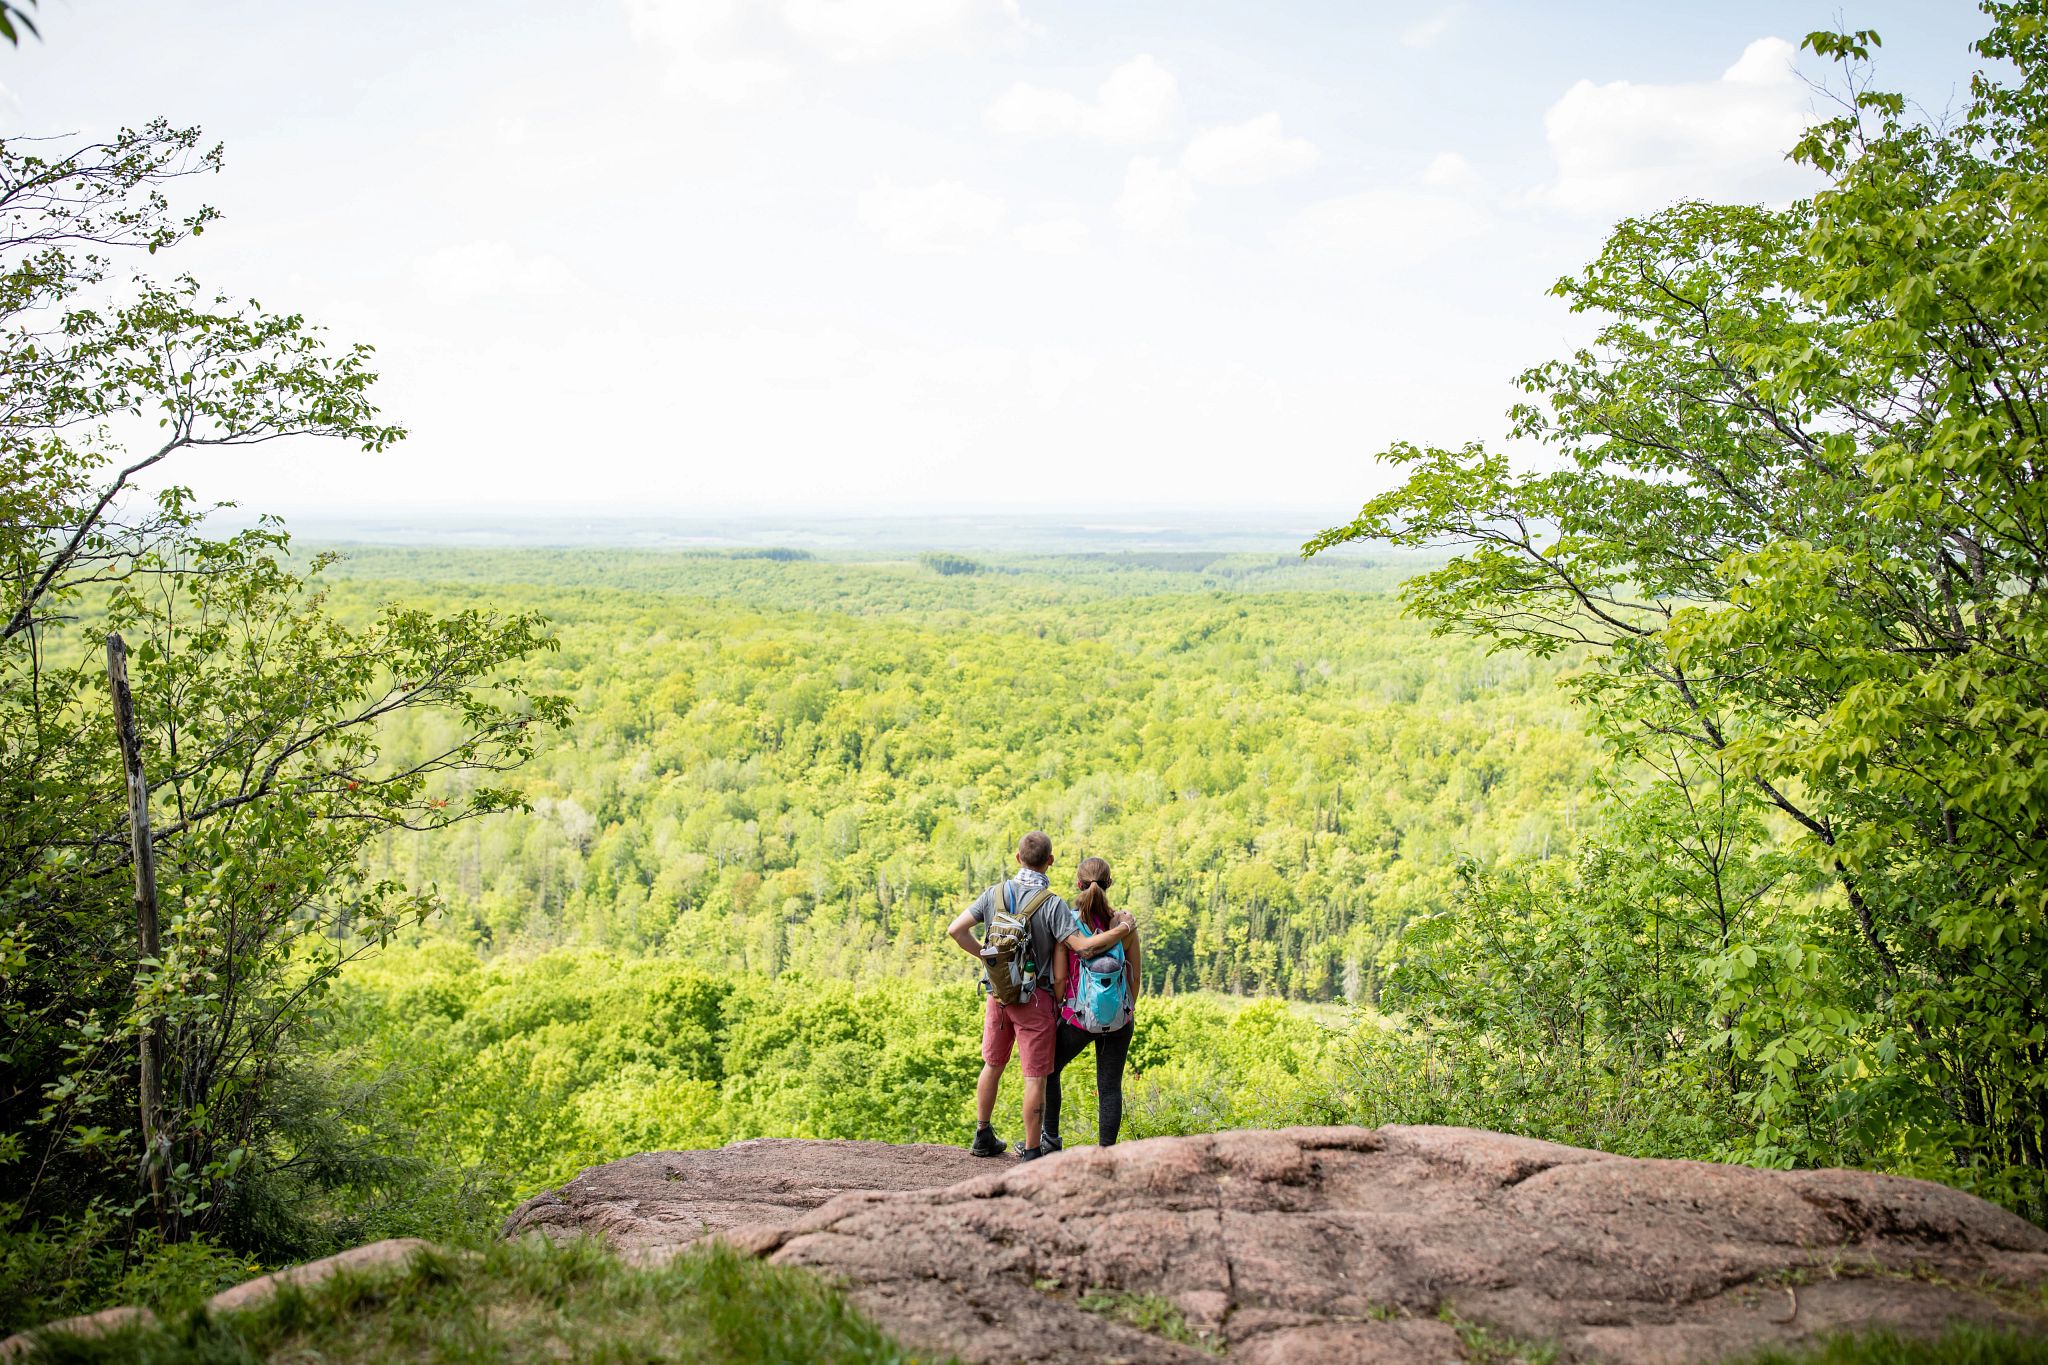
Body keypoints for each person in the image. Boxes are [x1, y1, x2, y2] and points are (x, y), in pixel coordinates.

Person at [947, 831, 1133, 1161]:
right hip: (1035, 1002)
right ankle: (1033, 1151)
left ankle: (982, 1135)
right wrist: (1122, 930)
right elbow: (1080, 950)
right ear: (1050, 861)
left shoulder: (994, 894)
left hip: (999, 996)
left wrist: (988, 960)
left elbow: (956, 930)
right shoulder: (1052, 905)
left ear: (1018, 858)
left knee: (992, 1064)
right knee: (1036, 1077)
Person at [1042, 856, 1140, 1152]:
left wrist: (1061, 1008)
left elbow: (1060, 978)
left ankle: (1050, 1141)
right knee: (1110, 1087)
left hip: (1078, 1018)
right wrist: (1126, 1010)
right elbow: (1134, 974)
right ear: (1109, 884)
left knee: (1049, 1071)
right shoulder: (1124, 924)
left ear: (1078, 884)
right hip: (1119, 1019)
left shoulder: (1068, 924)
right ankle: (1106, 1153)